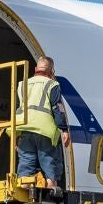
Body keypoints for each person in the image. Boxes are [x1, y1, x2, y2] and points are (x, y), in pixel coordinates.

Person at [13, 57, 70, 191]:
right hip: (44, 130)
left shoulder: (22, 84)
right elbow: (57, 108)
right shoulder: (52, 84)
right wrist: (64, 129)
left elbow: (17, 109)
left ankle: (24, 193)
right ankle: (51, 191)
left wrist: (15, 134)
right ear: (52, 71)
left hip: (24, 128)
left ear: (35, 69)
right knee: (50, 163)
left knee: (26, 164)